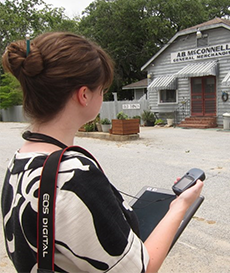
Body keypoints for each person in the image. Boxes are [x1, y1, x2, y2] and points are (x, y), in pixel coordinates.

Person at [1, 32, 203, 273]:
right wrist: (180, 206)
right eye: (102, 89)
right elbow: (142, 269)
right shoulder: (73, 175)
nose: (102, 96)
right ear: (84, 95)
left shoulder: (20, 161)